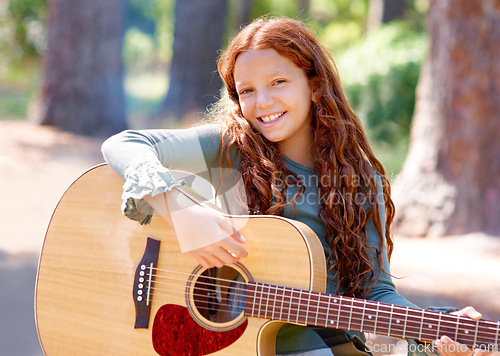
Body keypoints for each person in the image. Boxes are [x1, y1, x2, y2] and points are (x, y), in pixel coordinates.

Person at [102, 16, 497, 356]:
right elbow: (123, 144)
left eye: (278, 82)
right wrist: (181, 211)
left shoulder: (360, 183)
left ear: (313, 84)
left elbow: (377, 293)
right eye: (247, 91)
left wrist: (431, 330)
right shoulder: (230, 148)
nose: (262, 103)